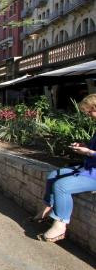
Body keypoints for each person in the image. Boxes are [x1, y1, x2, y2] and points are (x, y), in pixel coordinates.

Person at [32, 94, 96, 242]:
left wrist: (88, 152)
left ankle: (60, 225)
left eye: (89, 112)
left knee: (61, 186)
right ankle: (47, 209)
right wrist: (83, 146)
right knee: (53, 175)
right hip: (88, 168)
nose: (88, 115)